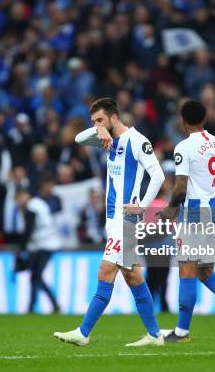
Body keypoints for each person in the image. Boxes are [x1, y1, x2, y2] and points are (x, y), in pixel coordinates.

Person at [54, 97, 165, 347]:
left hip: (126, 219)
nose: (96, 125)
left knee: (105, 271)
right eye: (93, 121)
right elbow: (78, 139)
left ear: (114, 117)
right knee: (133, 276)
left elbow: (157, 175)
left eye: (100, 119)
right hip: (113, 219)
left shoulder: (137, 141)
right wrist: (99, 129)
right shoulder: (107, 138)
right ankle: (155, 335)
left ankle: (83, 333)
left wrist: (142, 206)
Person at [158, 100, 215, 343]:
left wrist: (170, 208)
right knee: (205, 271)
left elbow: (179, 186)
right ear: (205, 119)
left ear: (182, 120)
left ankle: (181, 332)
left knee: (187, 269)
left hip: (193, 213)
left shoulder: (183, 147)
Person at [15, 187, 61, 313]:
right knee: (35, 277)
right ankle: (38, 306)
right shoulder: (38, 203)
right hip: (45, 244)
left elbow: (29, 230)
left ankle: (44, 305)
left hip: (45, 245)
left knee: (36, 276)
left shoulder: (31, 207)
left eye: (18, 198)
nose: (18, 202)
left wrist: (21, 248)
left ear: (25, 195)